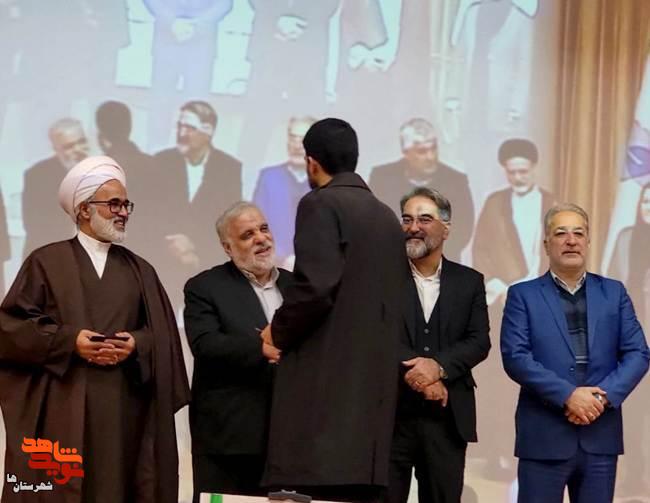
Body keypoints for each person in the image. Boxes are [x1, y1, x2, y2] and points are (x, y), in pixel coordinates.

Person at [0, 156, 190, 503]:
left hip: (125, 412)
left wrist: (137, 343)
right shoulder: (46, 262)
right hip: (64, 407)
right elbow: (11, 329)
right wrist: (69, 341)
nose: (123, 212)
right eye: (113, 203)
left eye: (126, 204)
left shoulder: (141, 270)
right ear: (84, 209)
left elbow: (163, 337)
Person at [260, 118, 410, 501]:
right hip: (371, 409)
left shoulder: (320, 203)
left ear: (312, 162)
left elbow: (315, 287)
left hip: (324, 403)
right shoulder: (386, 216)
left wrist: (277, 331)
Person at [500, 203, 650, 503]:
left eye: (578, 233)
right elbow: (515, 356)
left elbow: (638, 353)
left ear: (588, 241)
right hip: (544, 437)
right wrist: (568, 395)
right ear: (546, 244)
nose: (571, 240)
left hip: (599, 435)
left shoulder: (614, 292)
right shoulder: (523, 295)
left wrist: (600, 398)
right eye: (561, 233)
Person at [386, 187, 490, 503]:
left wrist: (438, 368)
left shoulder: (469, 281)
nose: (413, 227)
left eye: (424, 219)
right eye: (407, 219)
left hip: (448, 418)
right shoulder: (381, 278)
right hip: (389, 416)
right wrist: (421, 377)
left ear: (446, 229)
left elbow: (479, 341)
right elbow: (373, 334)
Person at [184, 202, 291, 502]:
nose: (261, 238)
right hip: (230, 439)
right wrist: (261, 350)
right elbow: (205, 344)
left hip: (291, 437)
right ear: (227, 248)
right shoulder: (205, 287)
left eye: (264, 229)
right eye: (248, 235)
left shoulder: (296, 286)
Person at [471, 138, 554, 479]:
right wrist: (500, 287)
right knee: (500, 380)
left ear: (533, 168)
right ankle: (499, 454)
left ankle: (538, 452)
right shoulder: (494, 204)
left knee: (541, 379)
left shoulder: (552, 203)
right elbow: (481, 251)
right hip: (502, 303)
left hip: (544, 304)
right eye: (512, 172)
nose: (518, 177)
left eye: (523, 171)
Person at [154, 100, 242, 308]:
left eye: (189, 127)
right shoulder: (160, 161)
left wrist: (194, 249)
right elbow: (153, 212)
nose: (181, 133)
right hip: (165, 257)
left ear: (208, 131)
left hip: (206, 258)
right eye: (180, 126)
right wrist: (175, 245)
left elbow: (229, 219)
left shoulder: (229, 168)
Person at [369, 118, 474, 261]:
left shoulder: (455, 181)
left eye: (433, 149)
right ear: (406, 152)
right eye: (422, 151)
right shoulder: (382, 178)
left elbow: (463, 229)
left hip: (439, 263)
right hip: (392, 261)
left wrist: (427, 255)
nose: (430, 157)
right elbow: (374, 223)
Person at [606, 181, 650, 496]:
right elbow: (611, 290)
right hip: (632, 342)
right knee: (632, 412)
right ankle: (634, 475)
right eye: (646, 202)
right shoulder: (626, 238)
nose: (649, 209)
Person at [252, 116, 316, 266]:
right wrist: (282, 257)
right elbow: (255, 225)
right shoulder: (269, 177)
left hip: (316, 268)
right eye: (293, 138)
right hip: (272, 266)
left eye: (303, 139)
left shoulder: (326, 183)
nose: (297, 145)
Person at [22, 118, 89, 258]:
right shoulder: (37, 176)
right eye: (69, 146)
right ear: (55, 149)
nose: (78, 150)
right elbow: (35, 225)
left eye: (82, 142)